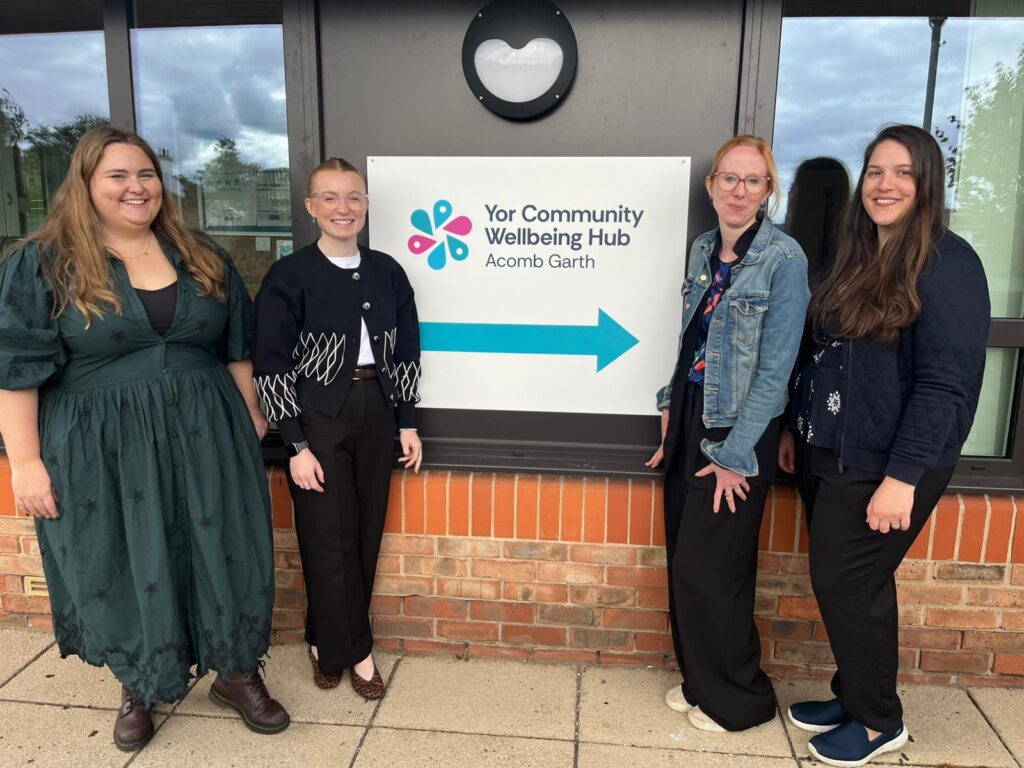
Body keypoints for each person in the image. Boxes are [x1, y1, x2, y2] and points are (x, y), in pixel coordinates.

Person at [0, 127, 289, 750]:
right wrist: (24, 462)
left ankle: (236, 672)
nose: (138, 187)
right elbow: (15, 370)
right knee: (126, 554)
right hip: (103, 444)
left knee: (225, 546)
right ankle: (139, 682)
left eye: (147, 174)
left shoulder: (199, 253)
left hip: (207, 430)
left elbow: (236, 343)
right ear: (84, 184)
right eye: (118, 176)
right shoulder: (43, 262)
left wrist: (252, 417)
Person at [779, 124, 989, 767]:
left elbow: (945, 385)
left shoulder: (949, 263)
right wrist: (796, 426)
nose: (885, 184)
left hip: (888, 462)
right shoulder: (859, 253)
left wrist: (903, 477)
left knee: (848, 582)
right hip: (833, 449)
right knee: (853, 584)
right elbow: (825, 354)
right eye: (875, 171)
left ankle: (878, 722)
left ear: (926, 184)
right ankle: (853, 694)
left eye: (902, 172)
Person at [647, 136, 809, 732]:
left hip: (739, 430)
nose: (740, 191)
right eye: (730, 179)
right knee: (685, 560)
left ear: (769, 191)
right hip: (694, 416)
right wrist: (672, 408)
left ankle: (738, 699)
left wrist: (737, 454)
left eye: (754, 181)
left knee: (713, 569)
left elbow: (776, 369)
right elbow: (691, 341)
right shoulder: (703, 248)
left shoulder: (784, 261)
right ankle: (700, 682)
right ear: (712, 184)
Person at [252, 157, 422, 700]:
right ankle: (356, 650)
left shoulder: (388, 270)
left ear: (366, 206)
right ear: (311, 207)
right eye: (330, 197)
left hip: (377, 407)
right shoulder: (290, 275)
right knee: (328, 537)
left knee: (365, 532)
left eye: (353, 197)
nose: (342, 208)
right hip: (318, 417)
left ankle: (325, 639)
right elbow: (271, 364)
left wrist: (407, 422)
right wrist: (294, 444)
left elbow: (407, 348)